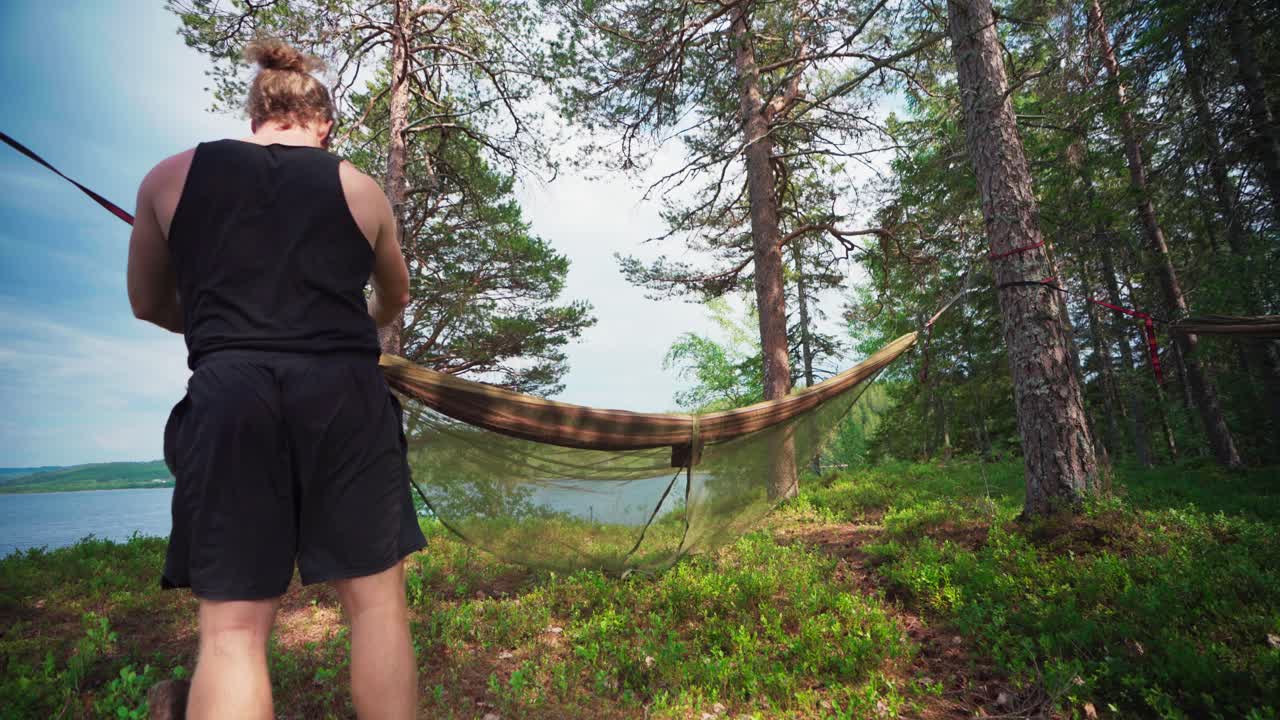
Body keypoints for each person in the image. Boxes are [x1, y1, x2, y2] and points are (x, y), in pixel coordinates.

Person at [126, 38, 425, 720]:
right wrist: (356, 323)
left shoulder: (168, 178)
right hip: (344, 396)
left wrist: (226, 327)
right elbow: (396, 296)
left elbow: (148, 303)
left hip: (230, 395)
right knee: (376, 608)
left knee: (231, 630)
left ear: (256, 115)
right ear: (324, 125)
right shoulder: (360, 188)